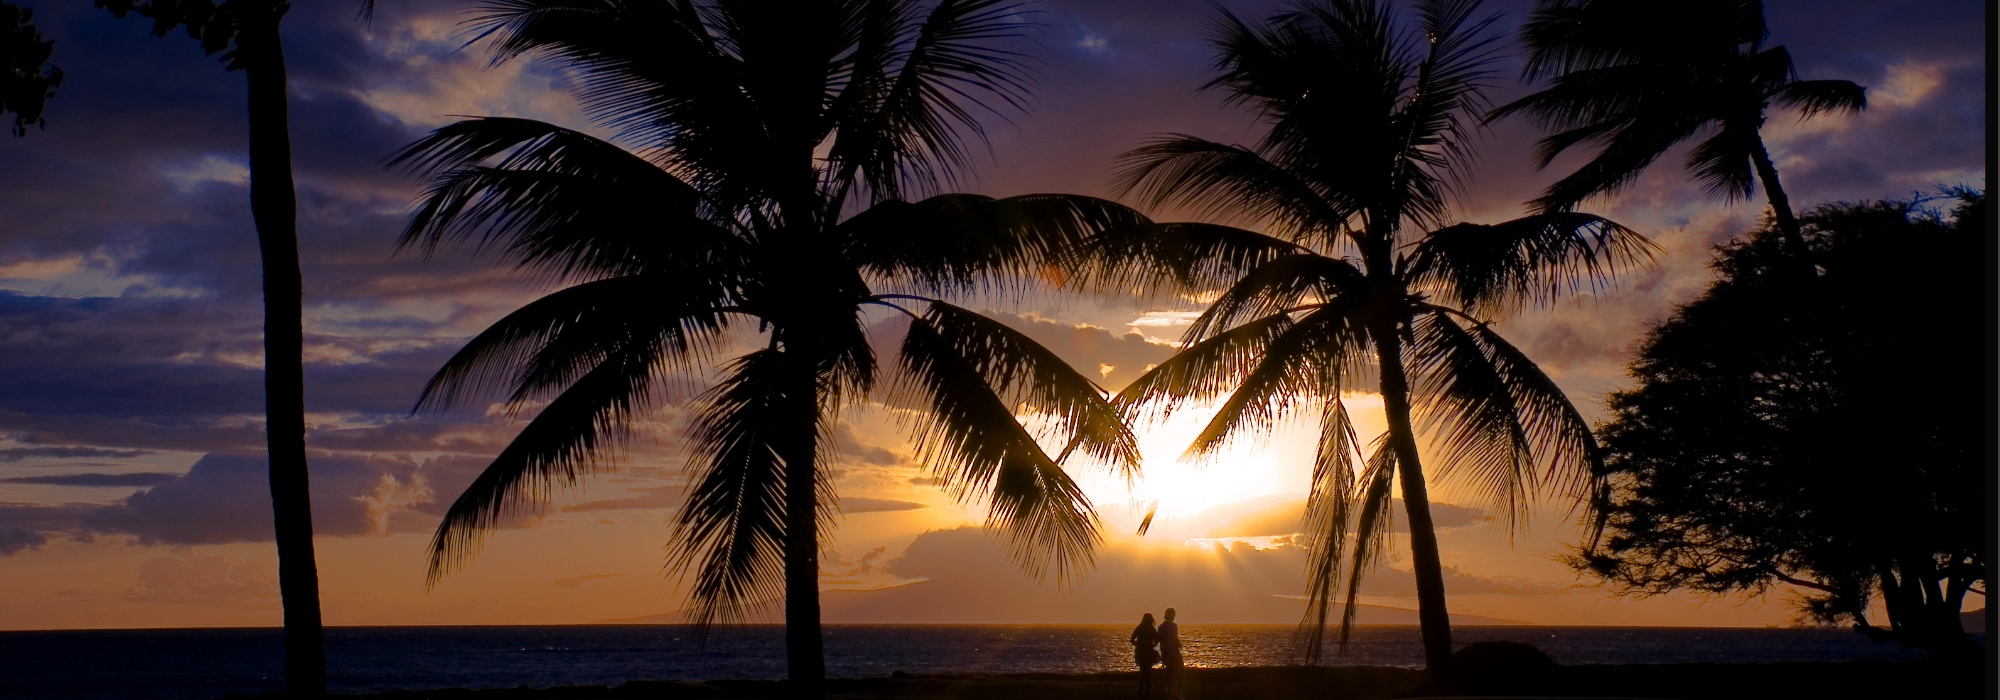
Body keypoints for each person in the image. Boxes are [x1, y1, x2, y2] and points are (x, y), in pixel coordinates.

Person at [1130, 612, 1159, 697]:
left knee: (1143, 672)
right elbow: (1157, 640)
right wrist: (1152, 646)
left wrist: (1138, 645)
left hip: (1140, 653)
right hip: (1148, 652)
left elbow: (1132, 639)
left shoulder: (1139, 628)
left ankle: (1141, 691)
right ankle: (1147, 692)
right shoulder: (1152, 629)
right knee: (1148, 673)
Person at [1158, 607, 1183, 699]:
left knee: (1169, 673)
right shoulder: (1173, 626)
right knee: (1180, 673)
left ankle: (1170, 692)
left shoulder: (1161, 627)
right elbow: (1173, 638)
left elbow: (1161, 641)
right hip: (1174, 652)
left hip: (1166, 653)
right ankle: (1176, 691)